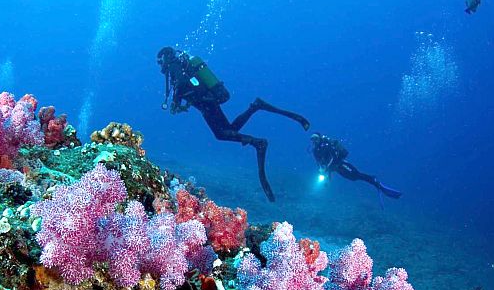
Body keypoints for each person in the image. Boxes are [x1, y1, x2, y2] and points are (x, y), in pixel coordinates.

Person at [157, 46, 310, 202]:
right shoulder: (181, 66)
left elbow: (182, 84)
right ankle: (256, 107)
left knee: (221, 134)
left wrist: (176, 101)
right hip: (207, 101)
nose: (160, 66)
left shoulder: (174, 66)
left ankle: (257, 142)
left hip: (206, 103)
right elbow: (187, 85)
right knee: (230, 129)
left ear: (165, 58)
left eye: (160, 61)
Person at [310, 133, 402, 199]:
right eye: (312, 139)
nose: (314, 141)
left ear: (320, 138)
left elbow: (333, 158)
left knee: (357, 175)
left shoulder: (327, 146)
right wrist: (322, 171)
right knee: (354, 179)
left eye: (316, 138)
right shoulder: (315, 151)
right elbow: (319, 164)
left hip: (341, 164)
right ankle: (374, 182)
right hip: (337, 169)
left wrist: (326, 168)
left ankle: (375, 181)